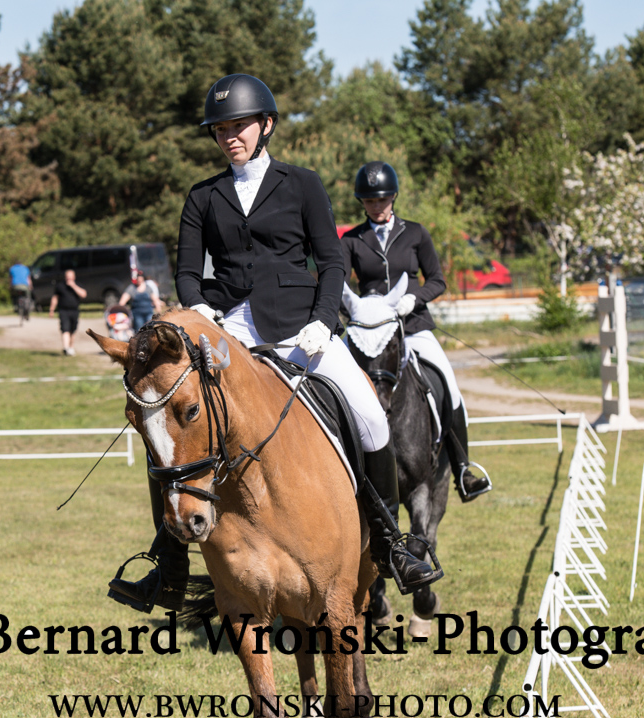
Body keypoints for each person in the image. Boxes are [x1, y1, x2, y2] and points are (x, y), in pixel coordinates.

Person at [107, 74, 441, 614]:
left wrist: (322, 321)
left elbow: (330, 263)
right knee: (172, 426)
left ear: (265, 125)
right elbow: (187, 271)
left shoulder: (302, 184)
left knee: (371, 417)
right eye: (221, 129)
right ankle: (168, 567)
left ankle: (389, 544)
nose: (229, 137)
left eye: (238, 126)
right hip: (228, 331)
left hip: (299, 327)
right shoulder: (203, 195)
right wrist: (200, 309)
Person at [341, 160, 492, 503]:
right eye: (369, 201)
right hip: (369, 334)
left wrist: (415, 298)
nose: (376, 207)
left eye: (381, 200)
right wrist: (354, 313)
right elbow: (338, 284)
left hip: (412, 327)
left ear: (393, 197)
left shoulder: (415, 233)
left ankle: (463, 469)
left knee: (449, 385)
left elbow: (437, 280)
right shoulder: (351, 240)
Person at [49, 269, 87, 355]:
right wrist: (51, 310)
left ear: (74, 277)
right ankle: (66, 348)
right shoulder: (60, 286)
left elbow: (84, 294)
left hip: (74, 310)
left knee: (72, 330)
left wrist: (73, 286)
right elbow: (55, 298)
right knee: (65, 328)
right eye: (67, 277)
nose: (69, 279)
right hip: (63, 310)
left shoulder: (77, 285)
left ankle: (71, 347)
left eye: (70, 277)